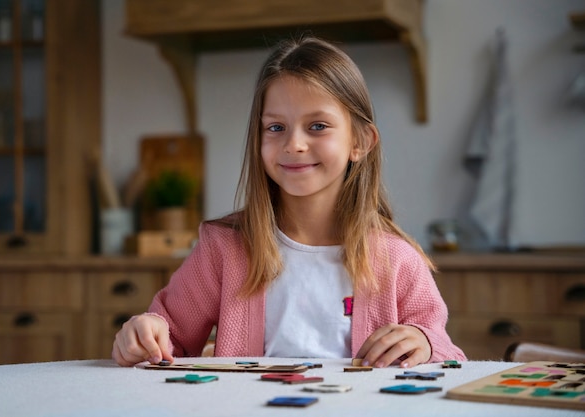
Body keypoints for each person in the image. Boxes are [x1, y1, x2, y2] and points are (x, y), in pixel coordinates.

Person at [112, 35, 466, 368]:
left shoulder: (398, 259)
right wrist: (145, 333)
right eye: (276, 128)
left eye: (317, 127)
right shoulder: (223, 248)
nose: (294, 144)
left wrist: (425, 342)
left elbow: (448, 355)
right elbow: (169, 336)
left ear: (360, 141)